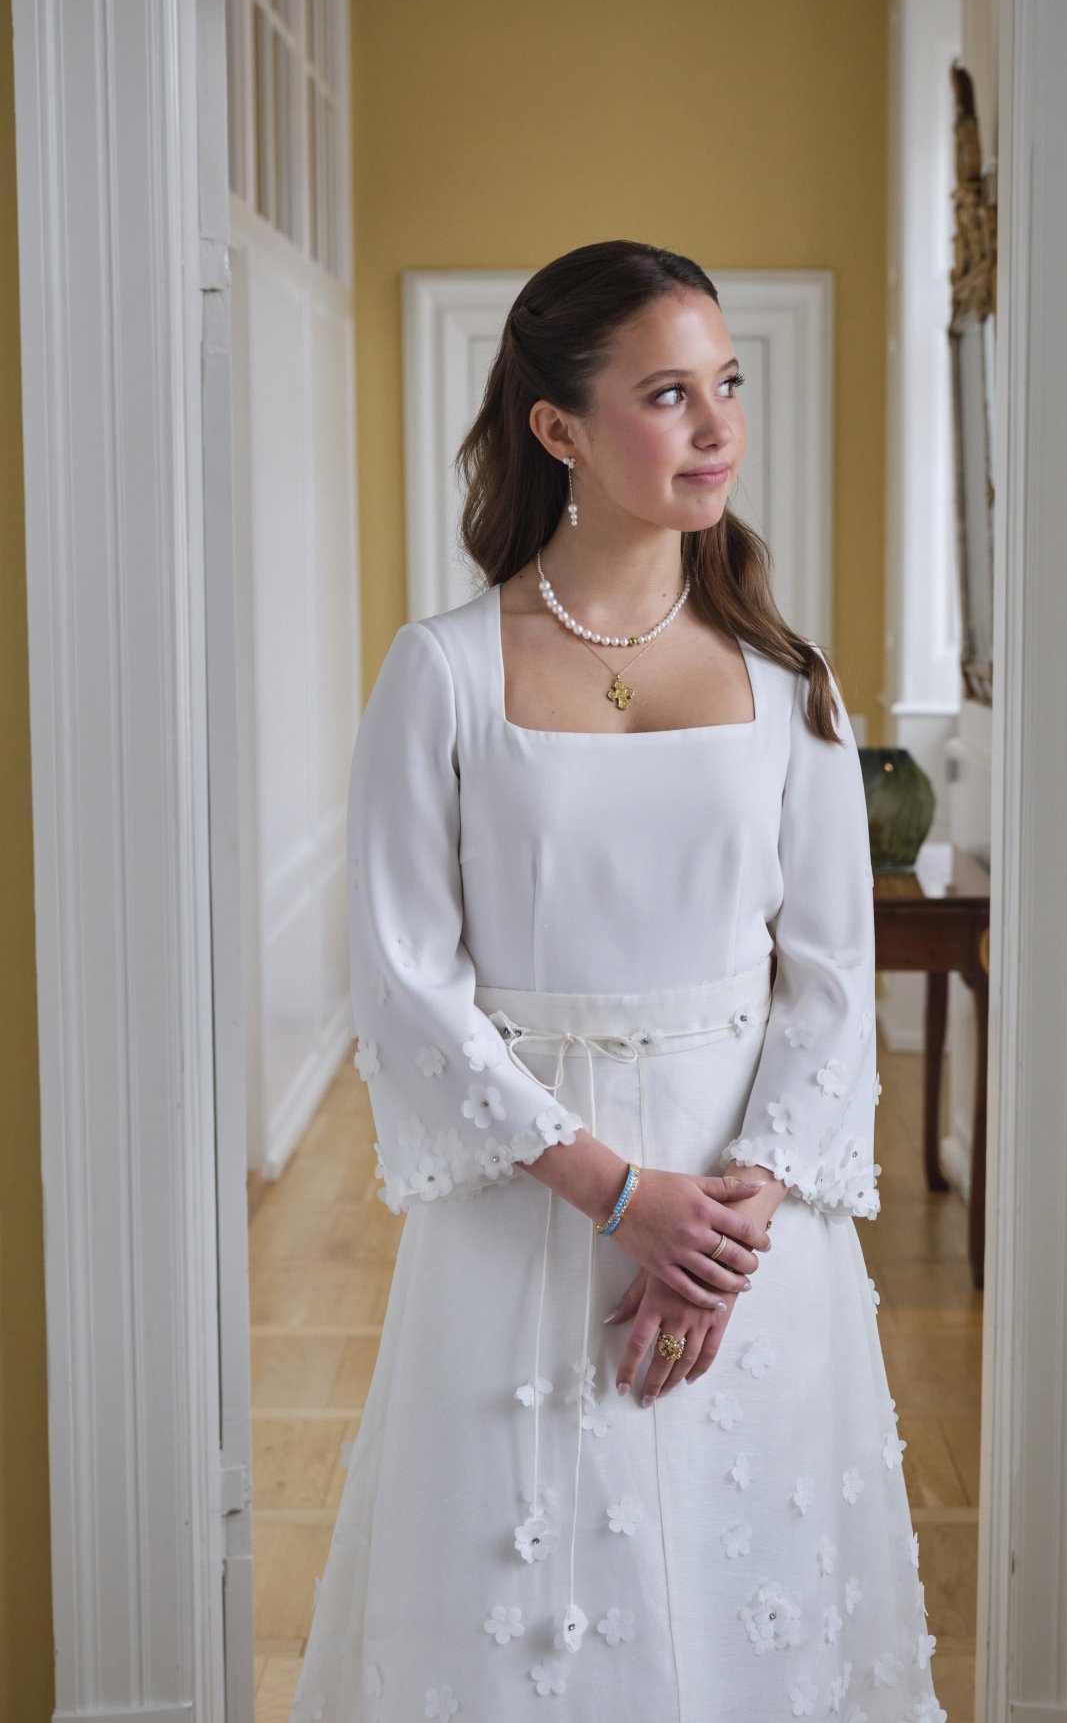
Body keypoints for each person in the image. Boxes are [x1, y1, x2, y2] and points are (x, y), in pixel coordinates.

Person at [288, 240, 945, 1723]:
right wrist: (614, 1193)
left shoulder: (791, 683)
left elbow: (833, 978)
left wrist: (737, 1212)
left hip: (741, 1241)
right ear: (559, 427)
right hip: (530, 1217)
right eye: (668, 393)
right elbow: (405, 982)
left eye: (727, 384)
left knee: (748, 1591)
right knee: (524, 1616)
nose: (717, 425)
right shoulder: (443, 672)